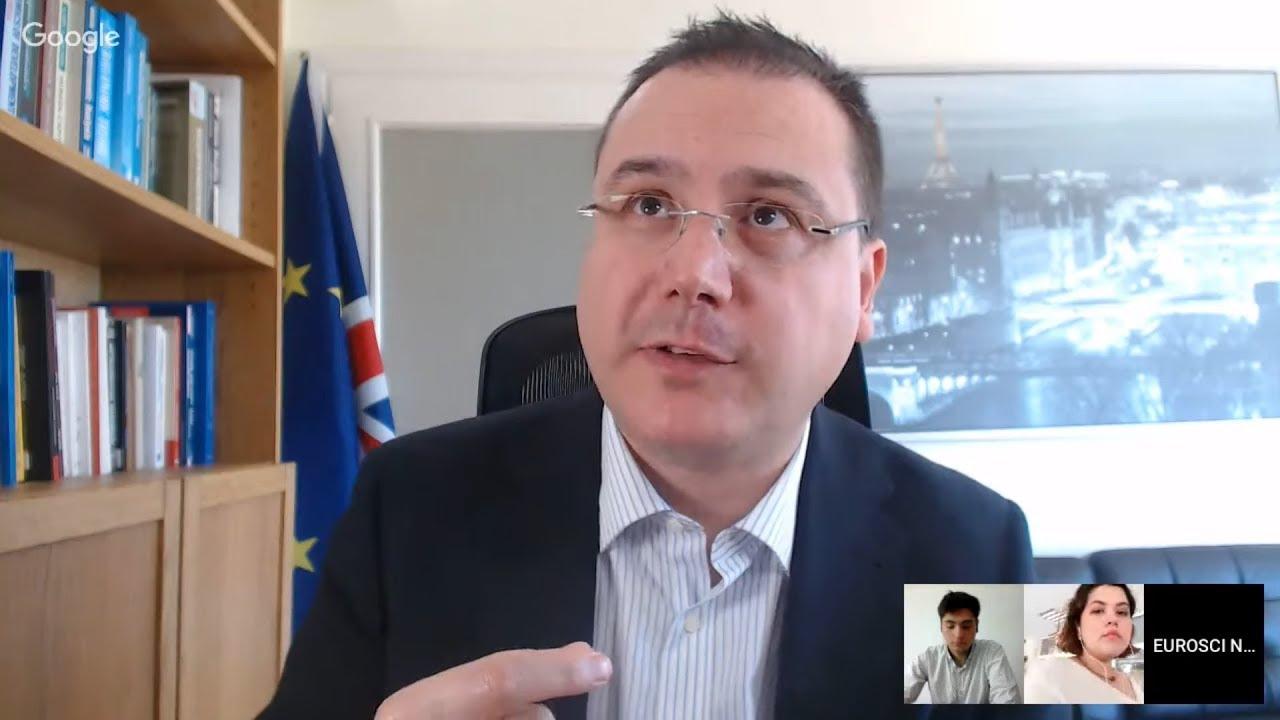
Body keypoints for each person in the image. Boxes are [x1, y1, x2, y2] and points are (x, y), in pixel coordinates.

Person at [259, 12, 1034, 720]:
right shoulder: (408, 508)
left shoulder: (971, 551)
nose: (694, 272)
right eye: (650, 205)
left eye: (769, 216)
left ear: (863, 288)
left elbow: (1072, 677)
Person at [1024, 584, 1144, 703]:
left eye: (1122, 612)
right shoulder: (1049, 675)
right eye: (1098, 610)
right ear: (1078, 628)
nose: (1113, 619)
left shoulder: (1133, 682)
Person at [904, 591, 1021, 704]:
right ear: (941, 626)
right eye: (950, 626)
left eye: (966, 626)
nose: (958, 635)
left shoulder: (992, 652)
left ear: (977, 626)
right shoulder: (928, 658)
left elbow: (1007, 700)